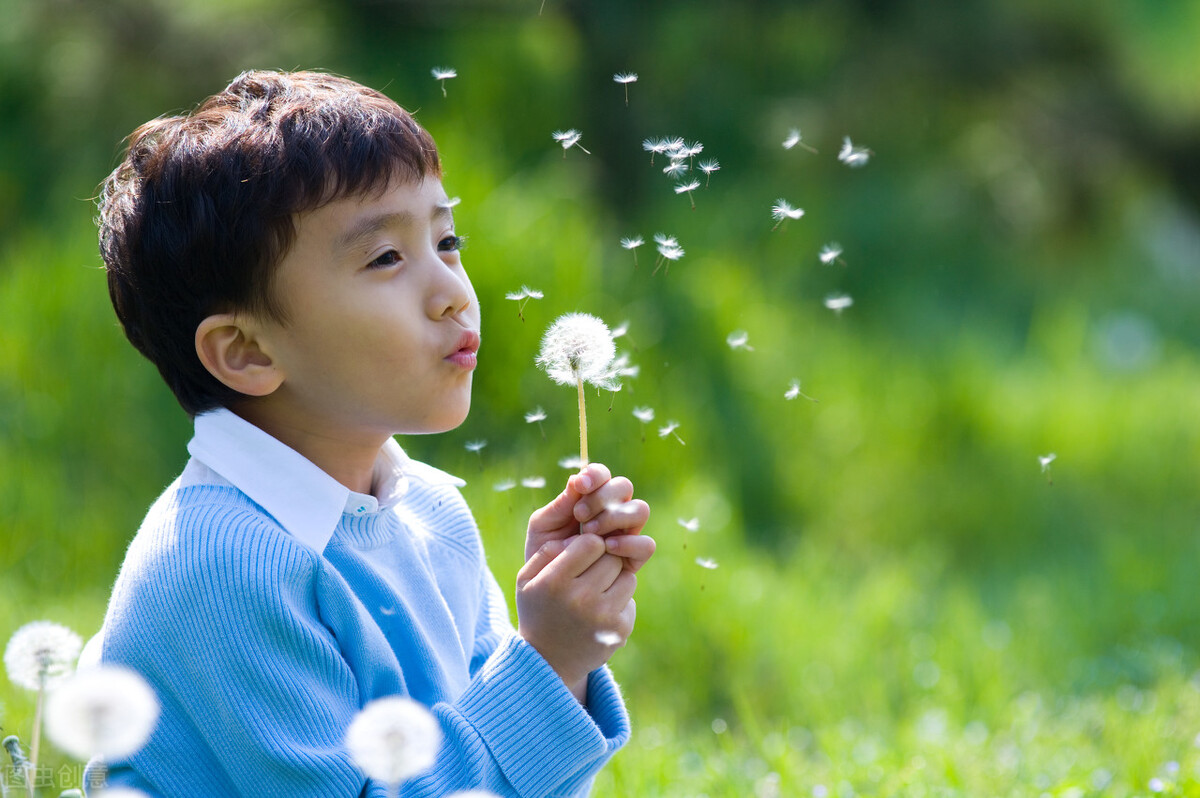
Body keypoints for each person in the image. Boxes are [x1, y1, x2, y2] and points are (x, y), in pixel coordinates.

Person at [83, 69, 655, 797]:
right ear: (248, 352)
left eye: (448, 241)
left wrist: (559, 647)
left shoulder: (431, 513)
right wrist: (546, 664)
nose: (453, 293)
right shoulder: (222, 565)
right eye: (386, 257)